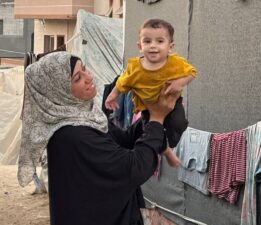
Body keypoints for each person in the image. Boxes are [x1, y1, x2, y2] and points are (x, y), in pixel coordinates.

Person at [17, 51, 180, 225]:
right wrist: (157, 119)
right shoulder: (73, 136)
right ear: (59, 92)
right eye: (78, 78)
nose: (89, 77)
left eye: (85, 69)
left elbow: (122, 140)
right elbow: (134, 168)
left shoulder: (84, 118)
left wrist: (148, 117)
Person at [105, 18, 197, 167]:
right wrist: (113, 95)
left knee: (178, 124)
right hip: (147, 109)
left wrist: (179, 83)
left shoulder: (175, 63)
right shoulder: (135, 68)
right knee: (152, 134)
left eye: (160, 41)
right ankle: (166, 151)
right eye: (147, 41)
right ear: (140, 46)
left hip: (172, 103)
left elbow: (191, 72)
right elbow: (123, 82)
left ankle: (170, 144)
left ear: (170, 46)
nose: (153, 46)